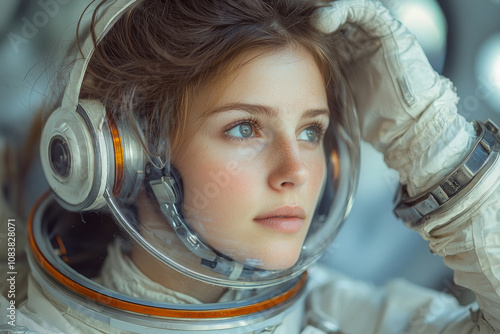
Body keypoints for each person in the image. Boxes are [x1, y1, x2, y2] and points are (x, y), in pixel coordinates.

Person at [1, 0, 500, 333]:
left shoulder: (349, 316)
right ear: (126, 157)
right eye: (245, 128)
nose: (296, 171)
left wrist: (431, 136)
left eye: (311, 131)